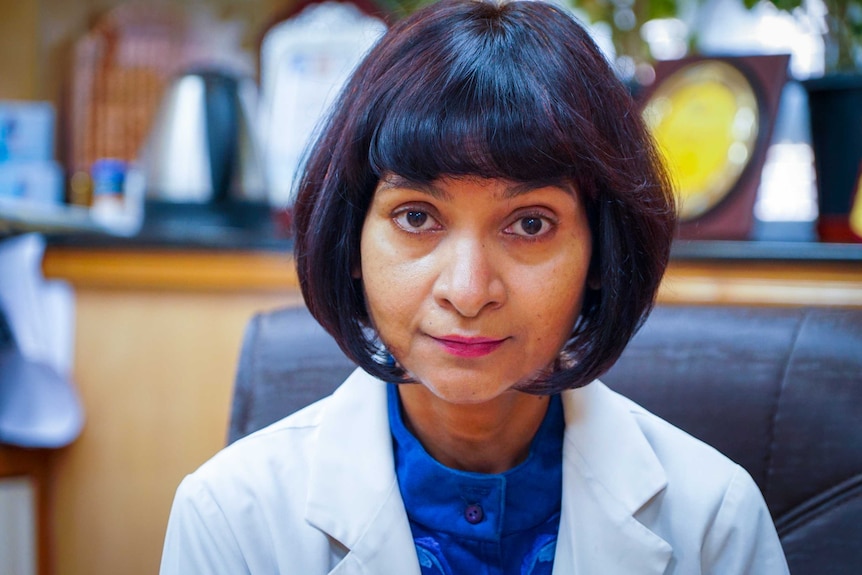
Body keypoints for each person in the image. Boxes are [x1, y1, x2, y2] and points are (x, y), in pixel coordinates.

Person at [160, 1, 790, 573]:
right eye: (416, 217)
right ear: (353, 240)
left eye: (530, 224)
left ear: (601, 252)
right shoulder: (230, 519)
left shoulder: (714, 520)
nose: (467, 291)